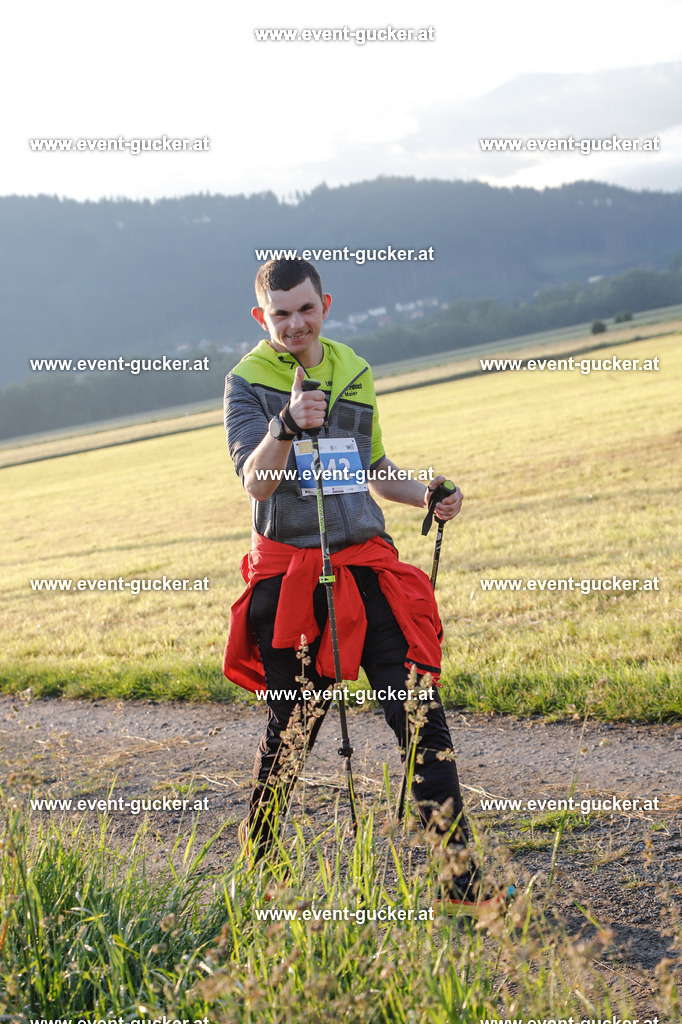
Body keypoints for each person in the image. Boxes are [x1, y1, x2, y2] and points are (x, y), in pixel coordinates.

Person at [222, 258, 506, 915]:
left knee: (420, 720)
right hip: (292, 581)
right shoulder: (247, 382)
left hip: (366, 569)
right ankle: (256, 863)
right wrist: (286, 426)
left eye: (305, 309)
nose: (294, 323)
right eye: (279, 312)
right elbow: (255, 482)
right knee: (291, 735)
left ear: (326, 304)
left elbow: (374, 468)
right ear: (261, 316)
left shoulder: (354, 369)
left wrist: (428, 491)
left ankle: (462, 886)